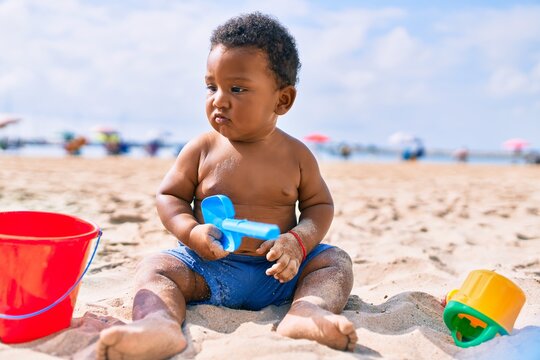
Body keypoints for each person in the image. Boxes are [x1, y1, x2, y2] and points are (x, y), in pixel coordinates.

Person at [97, 12, 357, 360]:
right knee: (156, 268)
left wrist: (298, 242)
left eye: (237, 88)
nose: (219, 99)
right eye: (211, 86)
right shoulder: (201, 149)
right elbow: (170, 196)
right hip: (210, 268)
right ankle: (159, 324)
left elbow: (319, 207)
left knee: (335, 263)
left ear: (282, 100)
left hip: (279, 273)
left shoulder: (297, 155)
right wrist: (191, 233)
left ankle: (306, 312)